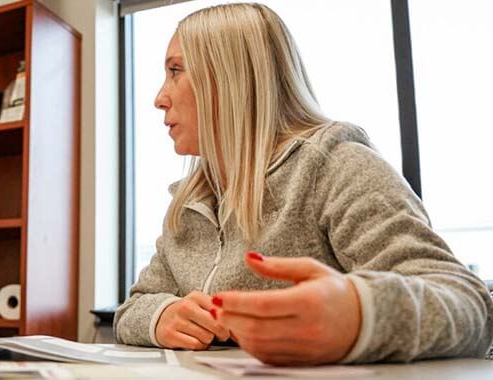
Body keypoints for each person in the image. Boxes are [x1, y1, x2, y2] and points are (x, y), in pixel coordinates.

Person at [114, 3, 493, 365]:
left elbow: (470, 305)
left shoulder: (336, 166)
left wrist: (359, 314)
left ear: (229, 77)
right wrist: (162, 316)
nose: (158, 99)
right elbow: (133, 307)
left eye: (176, 70)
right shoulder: (190, 201)